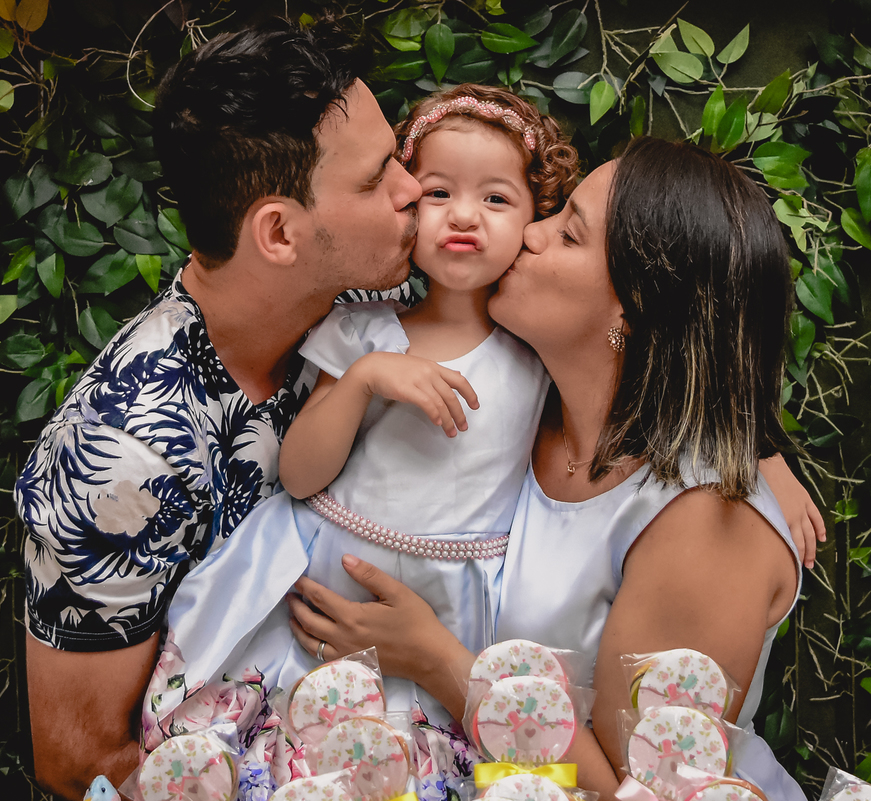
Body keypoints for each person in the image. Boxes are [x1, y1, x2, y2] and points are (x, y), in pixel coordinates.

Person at [284, 139, 821, 801]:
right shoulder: (522, 407)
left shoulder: (704, 524)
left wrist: (437, 660)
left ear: (632, 306)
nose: (529, 234)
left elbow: (640, 790)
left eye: (567, 233)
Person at [13, 19, 422, 800]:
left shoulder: (374, 290)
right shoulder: (121, 455)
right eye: (375, 180)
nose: (411, 189)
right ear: (278, 232)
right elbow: (81, 762)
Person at [139, 83, 580, 797]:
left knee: (410, 758)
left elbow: (639, 381)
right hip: (328, 577)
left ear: (535, 217)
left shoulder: (536, 351)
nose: (464, 215)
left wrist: (765, 456)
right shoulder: (364, 330)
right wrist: (365, 379)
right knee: (311, 739)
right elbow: (300, 472)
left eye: (497, 199)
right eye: (438, 192)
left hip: (451, 607)